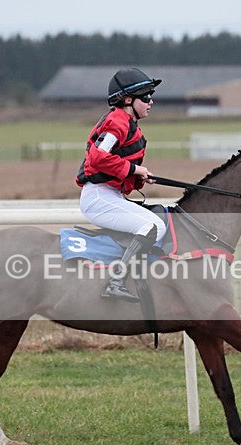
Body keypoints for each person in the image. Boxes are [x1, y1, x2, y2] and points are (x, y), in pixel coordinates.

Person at [76, 67, 167, 302]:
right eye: (145, 97)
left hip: (109, 195)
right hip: (98, 197)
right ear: (128, 100)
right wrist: (135, 169)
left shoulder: (126, 122)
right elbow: (97, 157)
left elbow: (113, 166)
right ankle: (116, 281)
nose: (151, 102)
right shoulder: (118, 121)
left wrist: (137, 177)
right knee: (153, 227)